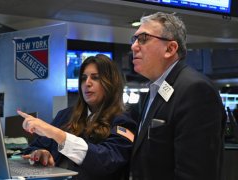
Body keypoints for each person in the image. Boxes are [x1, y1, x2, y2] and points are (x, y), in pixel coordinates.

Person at [129, 12, 226, 180]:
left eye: (143, 38)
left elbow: (196, 173)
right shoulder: (155, 89)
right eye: (134, 39)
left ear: (170, 49)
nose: (134, 46)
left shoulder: (195, 90)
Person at [17, 54, 137, 180]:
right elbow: (34, 148)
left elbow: (107, 161)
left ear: (110, 83)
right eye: (84, 78)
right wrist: (40, 153)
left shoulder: (123, 122)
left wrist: (59, 135)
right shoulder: (65, 115)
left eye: (95, 78)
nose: (87, 83)